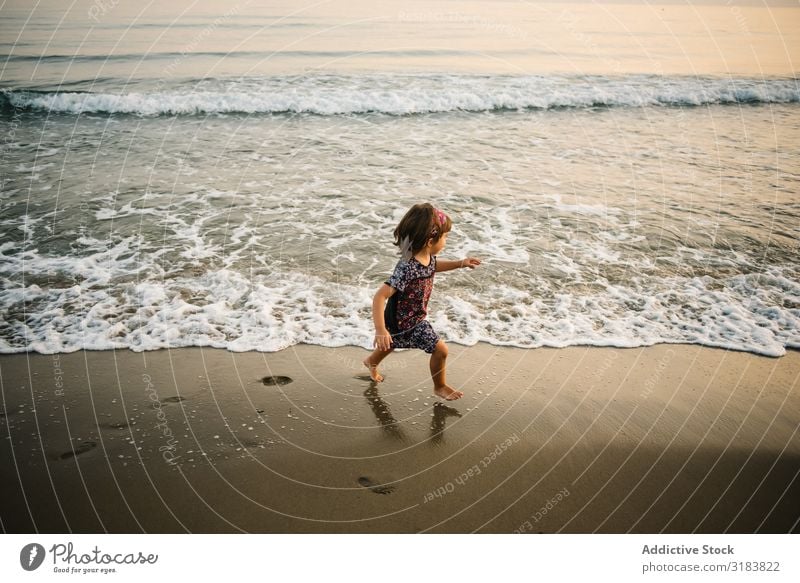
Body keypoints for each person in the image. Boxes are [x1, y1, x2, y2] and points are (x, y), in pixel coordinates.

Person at [363, 203, 481, 400]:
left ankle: (371, 362)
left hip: (413, 315)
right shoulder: (407, 267)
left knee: (392, 343)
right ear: (430, 240)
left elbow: (433, 267)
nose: (446, 241)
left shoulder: (426, 258)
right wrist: (380, 329)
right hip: (407, 320)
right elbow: (380, 296)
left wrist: (460, 264)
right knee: (440, 349)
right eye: (445, 237)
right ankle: (440, 386)